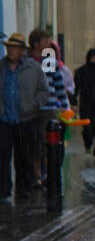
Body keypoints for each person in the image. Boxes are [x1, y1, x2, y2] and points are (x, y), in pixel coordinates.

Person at [0, 32, 49, 200]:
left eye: (14, 48)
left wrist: (33, 105)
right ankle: (4, 190)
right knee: (3, 155)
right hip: (4, 118)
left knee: (23, 156)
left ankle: (24, 189)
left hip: (25, 119)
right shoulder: (1, 67)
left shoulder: (33, 68)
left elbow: (44, 91)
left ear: (22, 50)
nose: (11, 51)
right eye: (9, 48)